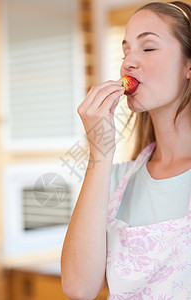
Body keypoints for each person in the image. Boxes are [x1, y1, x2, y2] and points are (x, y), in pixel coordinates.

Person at [61, 1, 191, 299]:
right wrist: (100, 151)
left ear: (189, 65)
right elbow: (79, 289)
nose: (128, 62)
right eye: (125, 51)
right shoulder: (116, 178)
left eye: (147, 48)